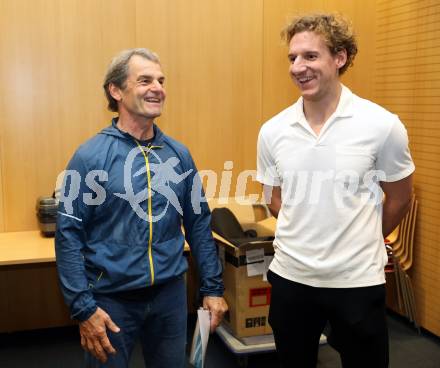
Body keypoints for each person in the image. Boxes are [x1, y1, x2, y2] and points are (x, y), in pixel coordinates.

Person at [256, 13, 414, 368]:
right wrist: (309, 224)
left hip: (357, 281)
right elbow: (273, 198)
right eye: (292, 58)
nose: (298, 67)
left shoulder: (382, 125)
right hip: (291, 278)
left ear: (339, 58)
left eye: (310, 56)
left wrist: (361, 237)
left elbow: (401, 197)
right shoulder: (273, 130)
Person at [55, 48, 228, 368]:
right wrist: (83, 308)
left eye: (161, 80)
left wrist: (213, 288)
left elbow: (199, 223)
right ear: (116, 90)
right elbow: (68, 234)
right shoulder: (89, 157)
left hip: (169, 298)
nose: (158, 88)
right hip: (109, 300)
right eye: (145, 80)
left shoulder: (178, 154)